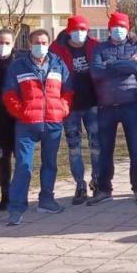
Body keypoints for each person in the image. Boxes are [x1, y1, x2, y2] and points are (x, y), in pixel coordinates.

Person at [2, 29, 73, 225]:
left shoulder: (58, 64)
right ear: (30, 45)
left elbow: (68, 90)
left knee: (50, 164)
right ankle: (16, 208)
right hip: (27, 124)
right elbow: (9, 94)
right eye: (36, 42)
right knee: (24, 166)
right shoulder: (18, 66)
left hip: (53, 122)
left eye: (44, 42)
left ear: (49, 43)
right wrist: (21, 112)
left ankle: (47, 200)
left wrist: (63, 108)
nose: (40, 45)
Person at [88, 12, 137, 205]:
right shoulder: (99, 48)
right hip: (106, 107)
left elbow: (136, 68)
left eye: (122, 26)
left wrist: (110, 65)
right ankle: (104, 189)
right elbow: (96, 72)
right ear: (109, 29)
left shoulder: (136, 47)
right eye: (115, 26)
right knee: (106, 150)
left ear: (128, 29)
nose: (119, 30)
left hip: (130, 105)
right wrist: (124, 64)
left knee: (135, 150)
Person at [49, 15, 100, 204]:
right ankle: (80, 184)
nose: (80, 33)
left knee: (96, 145)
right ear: (69, 30)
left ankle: (97, 180)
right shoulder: (56, 49)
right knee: (74, 147)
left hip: (93, 103)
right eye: (77, 29)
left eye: (84, 29)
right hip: (69, 106)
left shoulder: (95, 45)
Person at [0, 29, 17, 212]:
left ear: (13, 44)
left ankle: (18, 193)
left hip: (17, 116)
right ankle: (5, 195)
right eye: (0, 41)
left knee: (22, 158)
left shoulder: (20, 61)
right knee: (2, 157)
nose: (3, 46)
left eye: (7, 42)